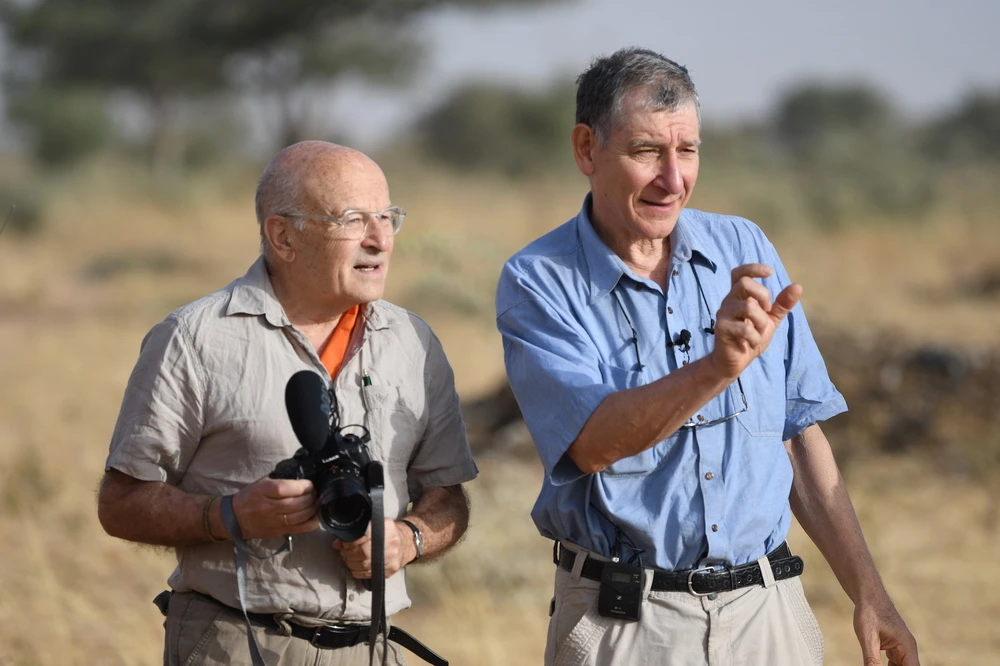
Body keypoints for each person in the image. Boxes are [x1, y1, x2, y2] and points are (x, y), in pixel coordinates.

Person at [495, 48, 919, 666]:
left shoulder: (744, 246)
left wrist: (870, 592)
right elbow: (591, 444)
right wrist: (716, 368)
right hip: (627, 626)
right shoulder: (539, 281)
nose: (674, 179)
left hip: (768, 615)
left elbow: (798, 435)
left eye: (687, 151)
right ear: (587, 149)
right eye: (646, 152)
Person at [98, 141, 478, 666]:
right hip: (236, 643)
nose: (381, 240)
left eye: (388, 217)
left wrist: (407, 540)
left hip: (373, 648)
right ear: (283, 236)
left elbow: (448, 497)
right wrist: (230, 514)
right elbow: (120, 502)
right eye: (353, 219)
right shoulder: (194, 338)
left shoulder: (413, 342)